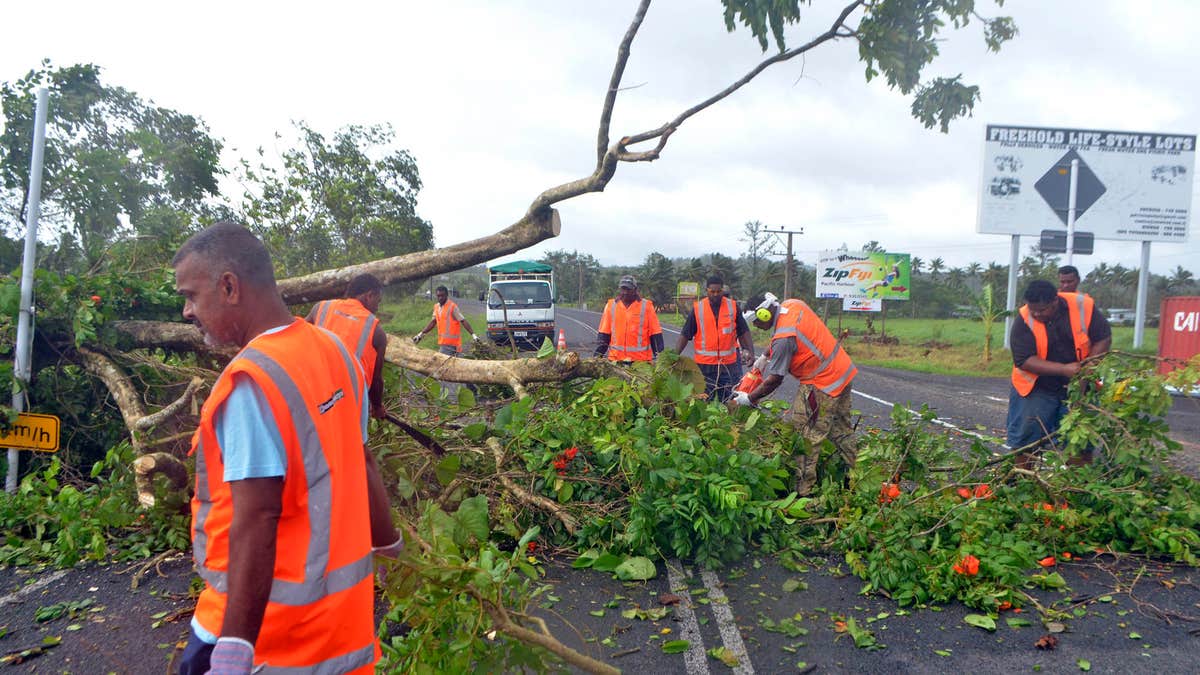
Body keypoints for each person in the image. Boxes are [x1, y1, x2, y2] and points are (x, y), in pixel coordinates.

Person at [173, 222, 399, 675]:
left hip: (265, 637)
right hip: (338, 635)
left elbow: (257, 516)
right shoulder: (334, 351)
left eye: (191, 295)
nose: (186, 311)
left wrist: (235, 648)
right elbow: (363, 461)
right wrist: (391, 547)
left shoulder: (251, 382)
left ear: (230, 286)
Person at [731, 293, 858, 496]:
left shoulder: (783, 339)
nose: (756, 327)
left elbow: (775, 379)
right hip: (842, 373)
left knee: (806, 436)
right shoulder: (792, 305)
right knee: (841, 430)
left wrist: (750, 398)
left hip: (821, 384)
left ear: (764, 315)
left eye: (756, 322)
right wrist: (764, 356)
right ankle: (858, 478)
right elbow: (787, 332)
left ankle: (804, 491)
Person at [1007, 279, 1111, 464]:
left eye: (1042, 310)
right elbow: (1023, 360)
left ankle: (1075, 487)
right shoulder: (1024, 319)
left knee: (1079, 441)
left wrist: (1088, 368)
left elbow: (1103, 337)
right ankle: (1019, 482)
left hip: (1079, 386)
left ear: (1055, 301)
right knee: (1026, 440)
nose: (1037, 314)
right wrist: (1064, 369)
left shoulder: (1083, 306)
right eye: (1033, 310)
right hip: (1037, 387)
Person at [306, 273, 388, 420]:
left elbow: (297, 337)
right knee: (354, 443)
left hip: (314, 393)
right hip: (350, 404)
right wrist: (377, 407)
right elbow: (376, 380)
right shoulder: (376, 331)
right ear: (369, 295)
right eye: (378, 301)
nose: (377, 307)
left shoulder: (321, 308)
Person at [674, 275, 755, 401]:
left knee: (729, 400)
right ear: (706, 291)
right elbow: (685, 335)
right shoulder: (698, 309)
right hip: (704, 366)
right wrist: (674, 356)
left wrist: (750, 351)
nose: (716, 294)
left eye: (718, 291)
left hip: (728, 366)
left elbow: (743, 331)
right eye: (712, 292)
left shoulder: (732, 307)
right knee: (705, 400)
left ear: (722, 290)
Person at [594, 274, 664, 361]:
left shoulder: (646, 307)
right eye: (623, 289)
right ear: (620, 289)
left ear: (635, 290)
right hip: (616, 360)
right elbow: (604, 335)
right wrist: (597, 357)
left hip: (640, 362)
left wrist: (661, 359)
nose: (625, 292)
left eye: (628, 289)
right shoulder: (611, 306)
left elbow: (655, 335)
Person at [413, 285, 478, 355]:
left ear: (447, 295)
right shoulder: (436, 307)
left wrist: (473, 335)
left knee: (440, 363)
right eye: (438, 296)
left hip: (452, 345)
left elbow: (463, 320)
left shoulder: (452, 307)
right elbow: (433, 322)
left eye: (442, 296)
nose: (440, 298)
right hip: (443, 343)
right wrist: (420, 334)